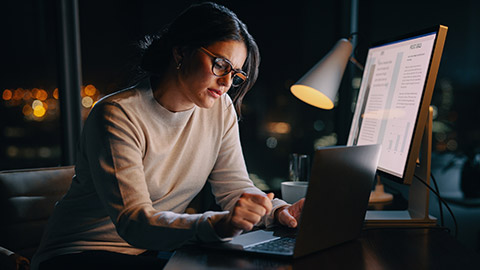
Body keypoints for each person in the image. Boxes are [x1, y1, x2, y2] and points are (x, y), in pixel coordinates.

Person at [31, 2, 304, 269]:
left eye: (235, 74)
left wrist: (280, 212)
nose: (226, 83)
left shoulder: (220, 109)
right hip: (78, 253)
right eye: (220, 65)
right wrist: (218, 223)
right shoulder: (117, 114)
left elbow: (234, 189)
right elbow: (133, 222)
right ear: (181, 52)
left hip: (150, 251)